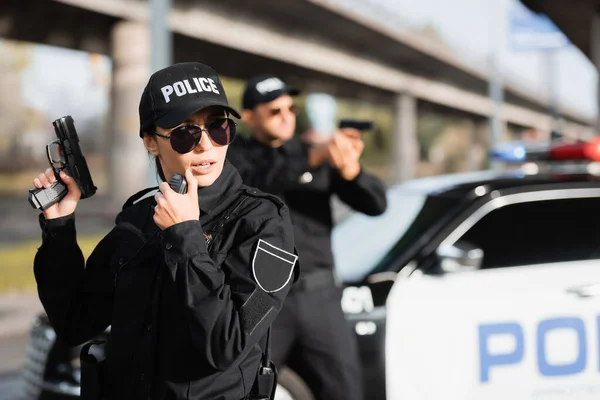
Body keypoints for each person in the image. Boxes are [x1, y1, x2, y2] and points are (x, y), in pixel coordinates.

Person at [32, 62, 299, 400]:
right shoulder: (138, 219)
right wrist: (59, 227)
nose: (206, 146)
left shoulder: (264, 222)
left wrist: (185, 235)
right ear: (151, 142)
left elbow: (225, 345)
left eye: (218, 128)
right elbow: (74, 322)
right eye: (187, 132)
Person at [227, 74, 387, 400]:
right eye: (275, 111)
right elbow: (263, 179)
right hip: (263, 300)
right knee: (246, 390)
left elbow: (376, 203)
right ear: (250, 116)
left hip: (319, 298)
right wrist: (314, 159)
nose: (287, 116)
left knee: (345, 390)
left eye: (291, 108)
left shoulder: (313, 153)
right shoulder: (235, 159)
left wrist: (350, 170)